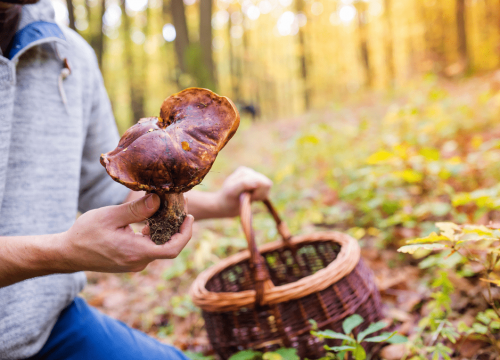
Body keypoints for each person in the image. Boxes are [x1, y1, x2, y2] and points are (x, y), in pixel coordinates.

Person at [0, 0, 273, 358]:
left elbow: (111, 193)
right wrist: (61, 253)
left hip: (49, 325)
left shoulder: (71, 55)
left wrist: (220, 203)